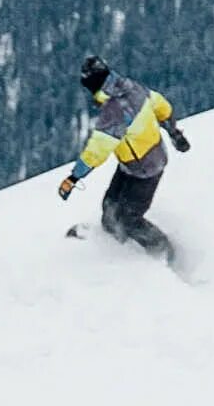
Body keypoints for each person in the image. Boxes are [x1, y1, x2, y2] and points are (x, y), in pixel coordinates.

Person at [58, 55, 190, 258]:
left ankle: (165, 253)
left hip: (145, 169)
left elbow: (97, 150)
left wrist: (73, 178)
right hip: (132, 164)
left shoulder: (115, 111)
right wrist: (174, 133)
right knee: (110, 206)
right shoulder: (132, 87)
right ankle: (115, 249)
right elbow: (160, 105)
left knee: (129, 219)